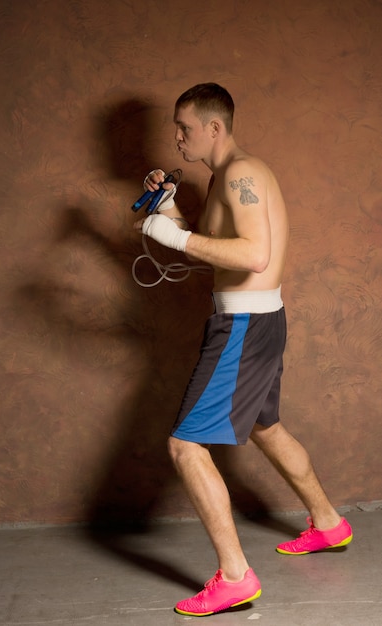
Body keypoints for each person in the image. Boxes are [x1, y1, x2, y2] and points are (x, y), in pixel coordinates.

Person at [133, 83, 353, 617]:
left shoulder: (242, 174)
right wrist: (168, 214)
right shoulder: (224, 179)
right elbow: (220, 254)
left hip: (243, 326)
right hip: (258, 319)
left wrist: (173, 237)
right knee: (266, 427)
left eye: (184, 128)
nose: (177, 137)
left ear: (214, 127)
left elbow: (253, 255)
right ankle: (329, 524)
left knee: (186, 448)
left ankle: (235, 578)